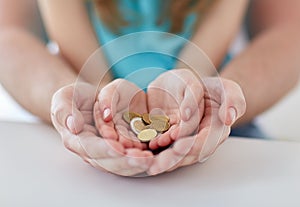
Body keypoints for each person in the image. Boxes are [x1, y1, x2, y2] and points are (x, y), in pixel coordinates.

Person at [0, 0, 299, 176]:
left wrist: (211, 95)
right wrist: (82, 98)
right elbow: (7, 33)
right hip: (77, 123)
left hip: (221, 121)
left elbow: (289, 33)